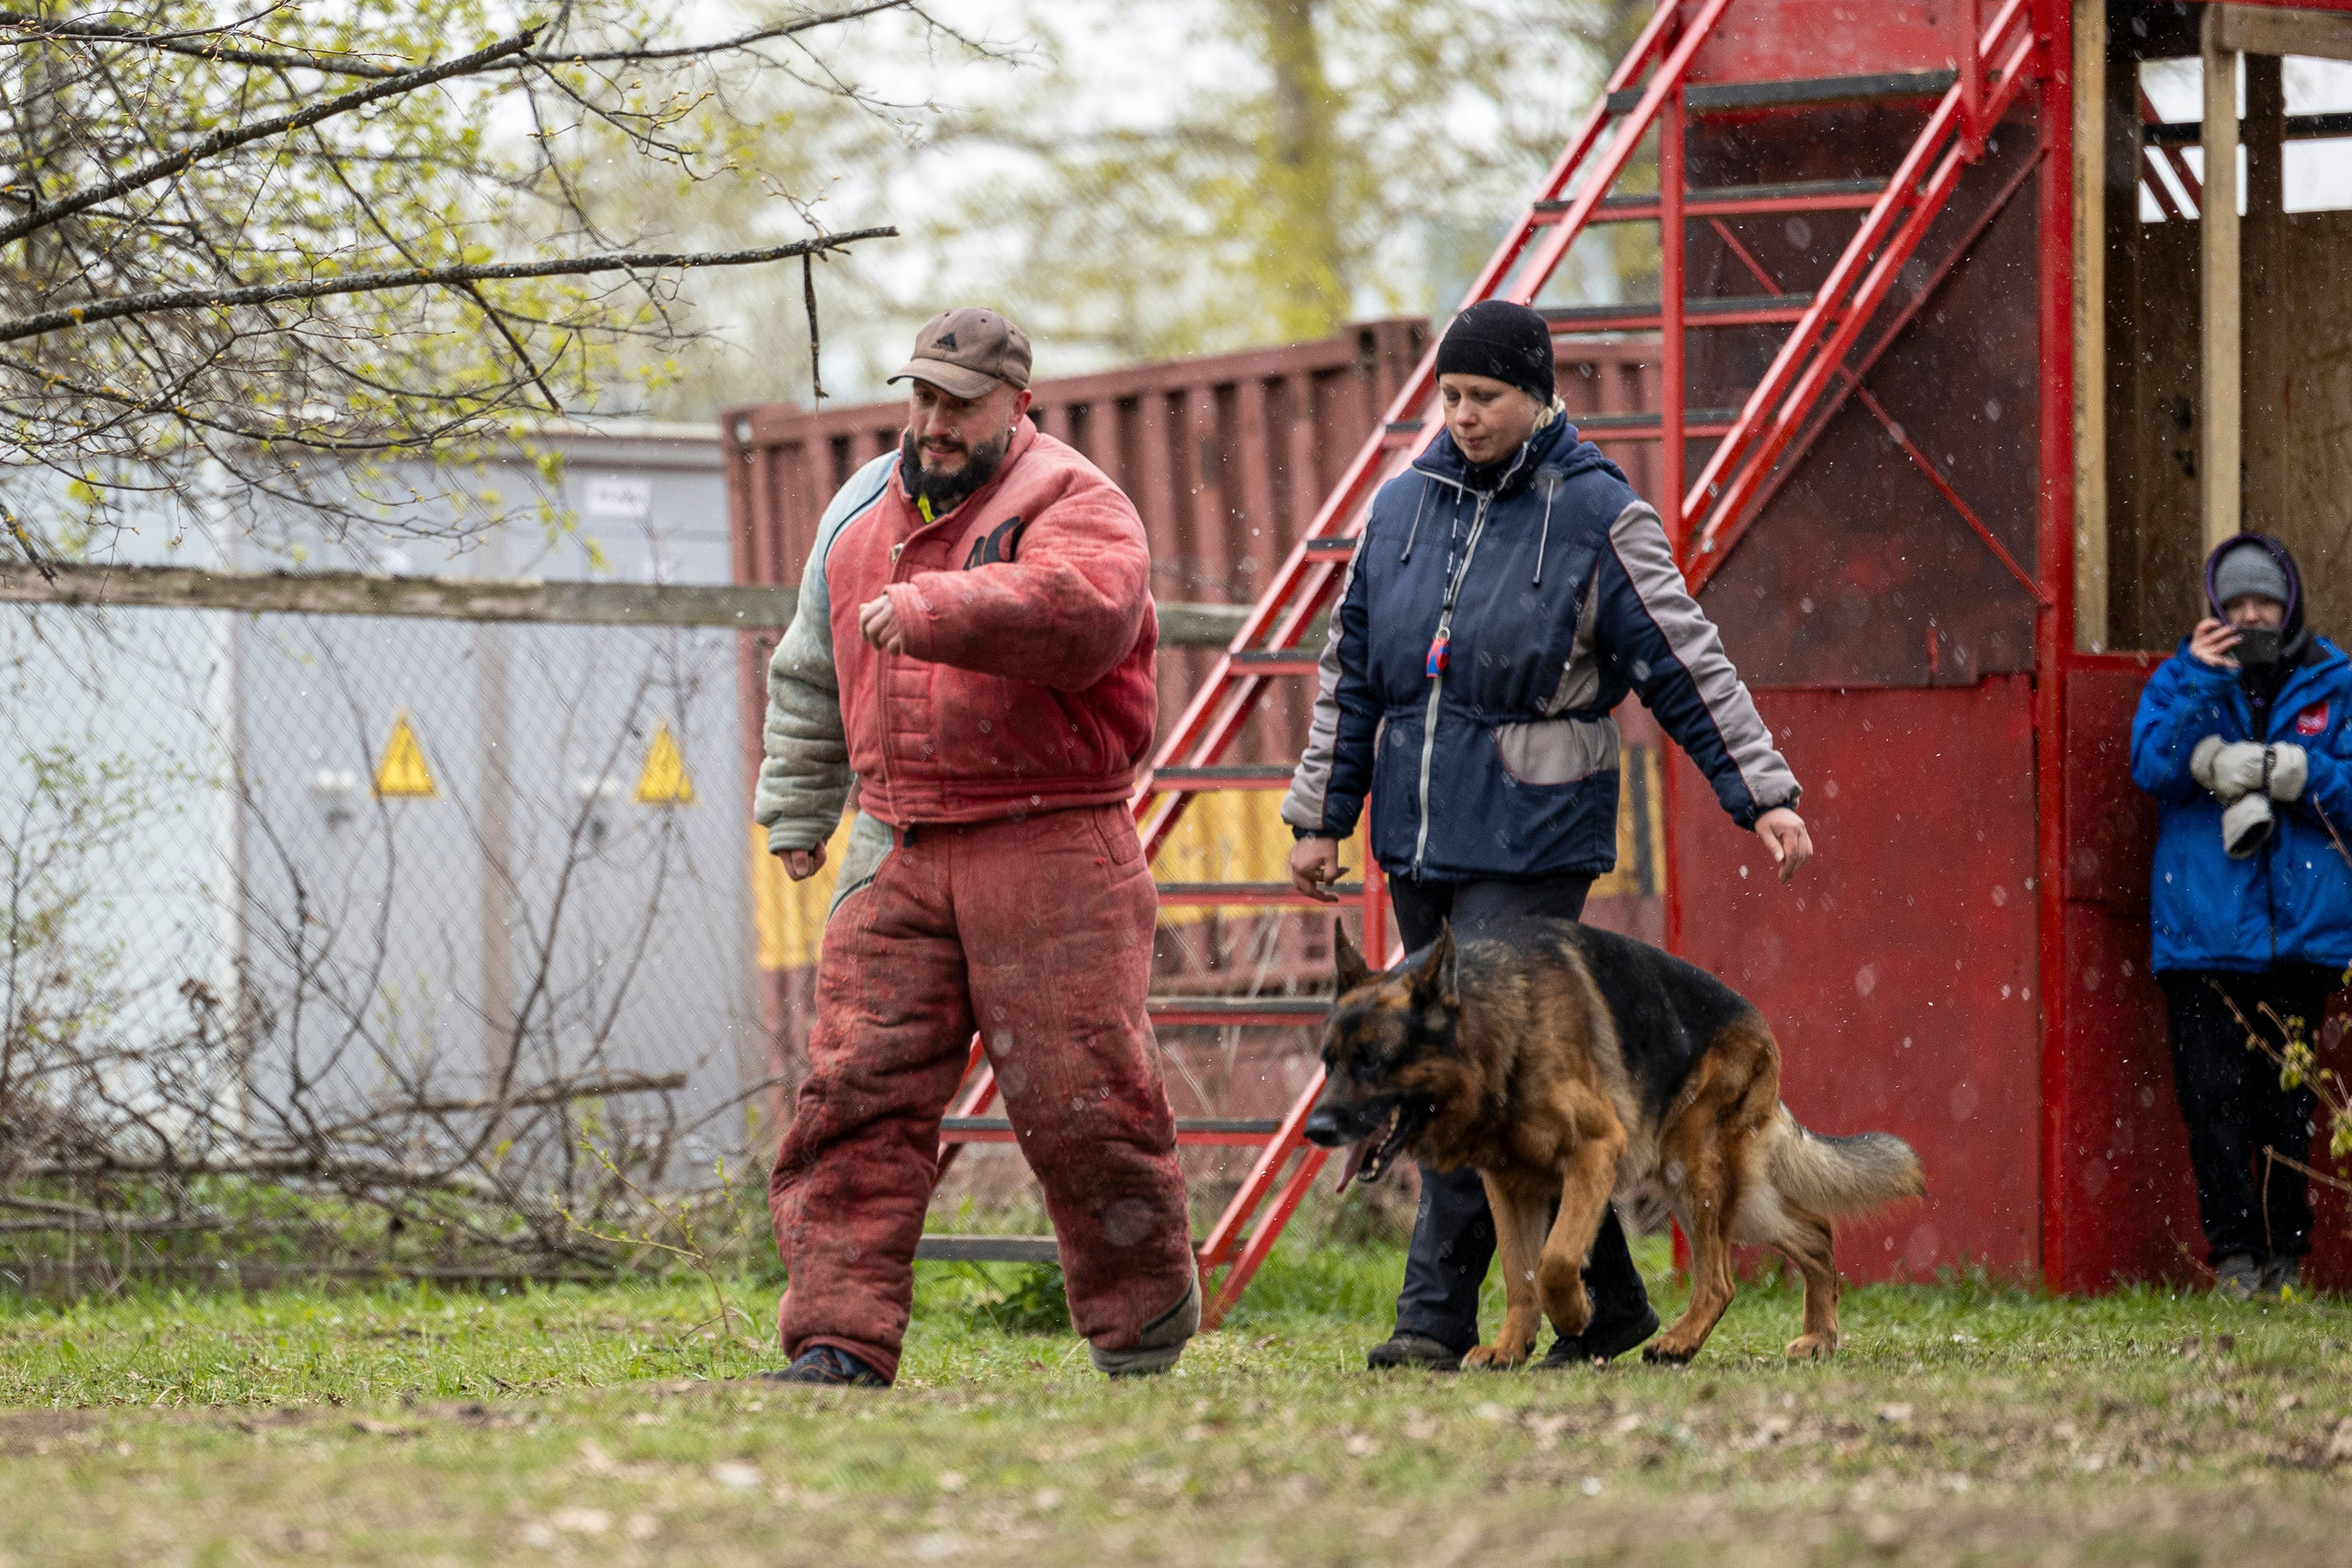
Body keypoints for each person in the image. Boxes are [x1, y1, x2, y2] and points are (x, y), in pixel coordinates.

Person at [1282, 299, 1813, 1371]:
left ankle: (1429, 1320)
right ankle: (1608, 1310)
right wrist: (1318, 815)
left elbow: (1682, 658)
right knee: (1508, 1096)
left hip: (1532, 833)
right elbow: (1349, 672)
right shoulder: (1398, 510)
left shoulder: (1597, 513)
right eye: (1451, 398)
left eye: (1484, 398)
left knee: (1458, 1074)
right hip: (1418, 837)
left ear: (1537, 395)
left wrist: (1760, 788)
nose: (1463, 417)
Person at [753, 307, 1198, 1385]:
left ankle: (1141, 1328)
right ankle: (835, 1340)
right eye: (922, 397)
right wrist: (799, 808)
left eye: (959, 403)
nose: (934, 421)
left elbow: (1086, 611)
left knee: (1083, 1102)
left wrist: (938, 609)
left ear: (1018, 405)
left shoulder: (1076, 499)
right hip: (896, 840)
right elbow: (813, 667)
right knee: (854, 1097)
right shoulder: (857, 507)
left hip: (1048, 838)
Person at [2130, 532, 2350, 1302]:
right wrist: (2197, 678)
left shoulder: (2334, 680)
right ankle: (2234, 1262)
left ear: (2289, 604)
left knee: (2288, 1113)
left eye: (2264, 601)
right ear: (2216, 610)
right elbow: (2152, 763)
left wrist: (2302, 774)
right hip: (2202, 941)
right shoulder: (2181, 677)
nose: (2252, 616)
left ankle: (2286, 1263)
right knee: (2213, 1108)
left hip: (2298, 939)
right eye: (2238, 603)